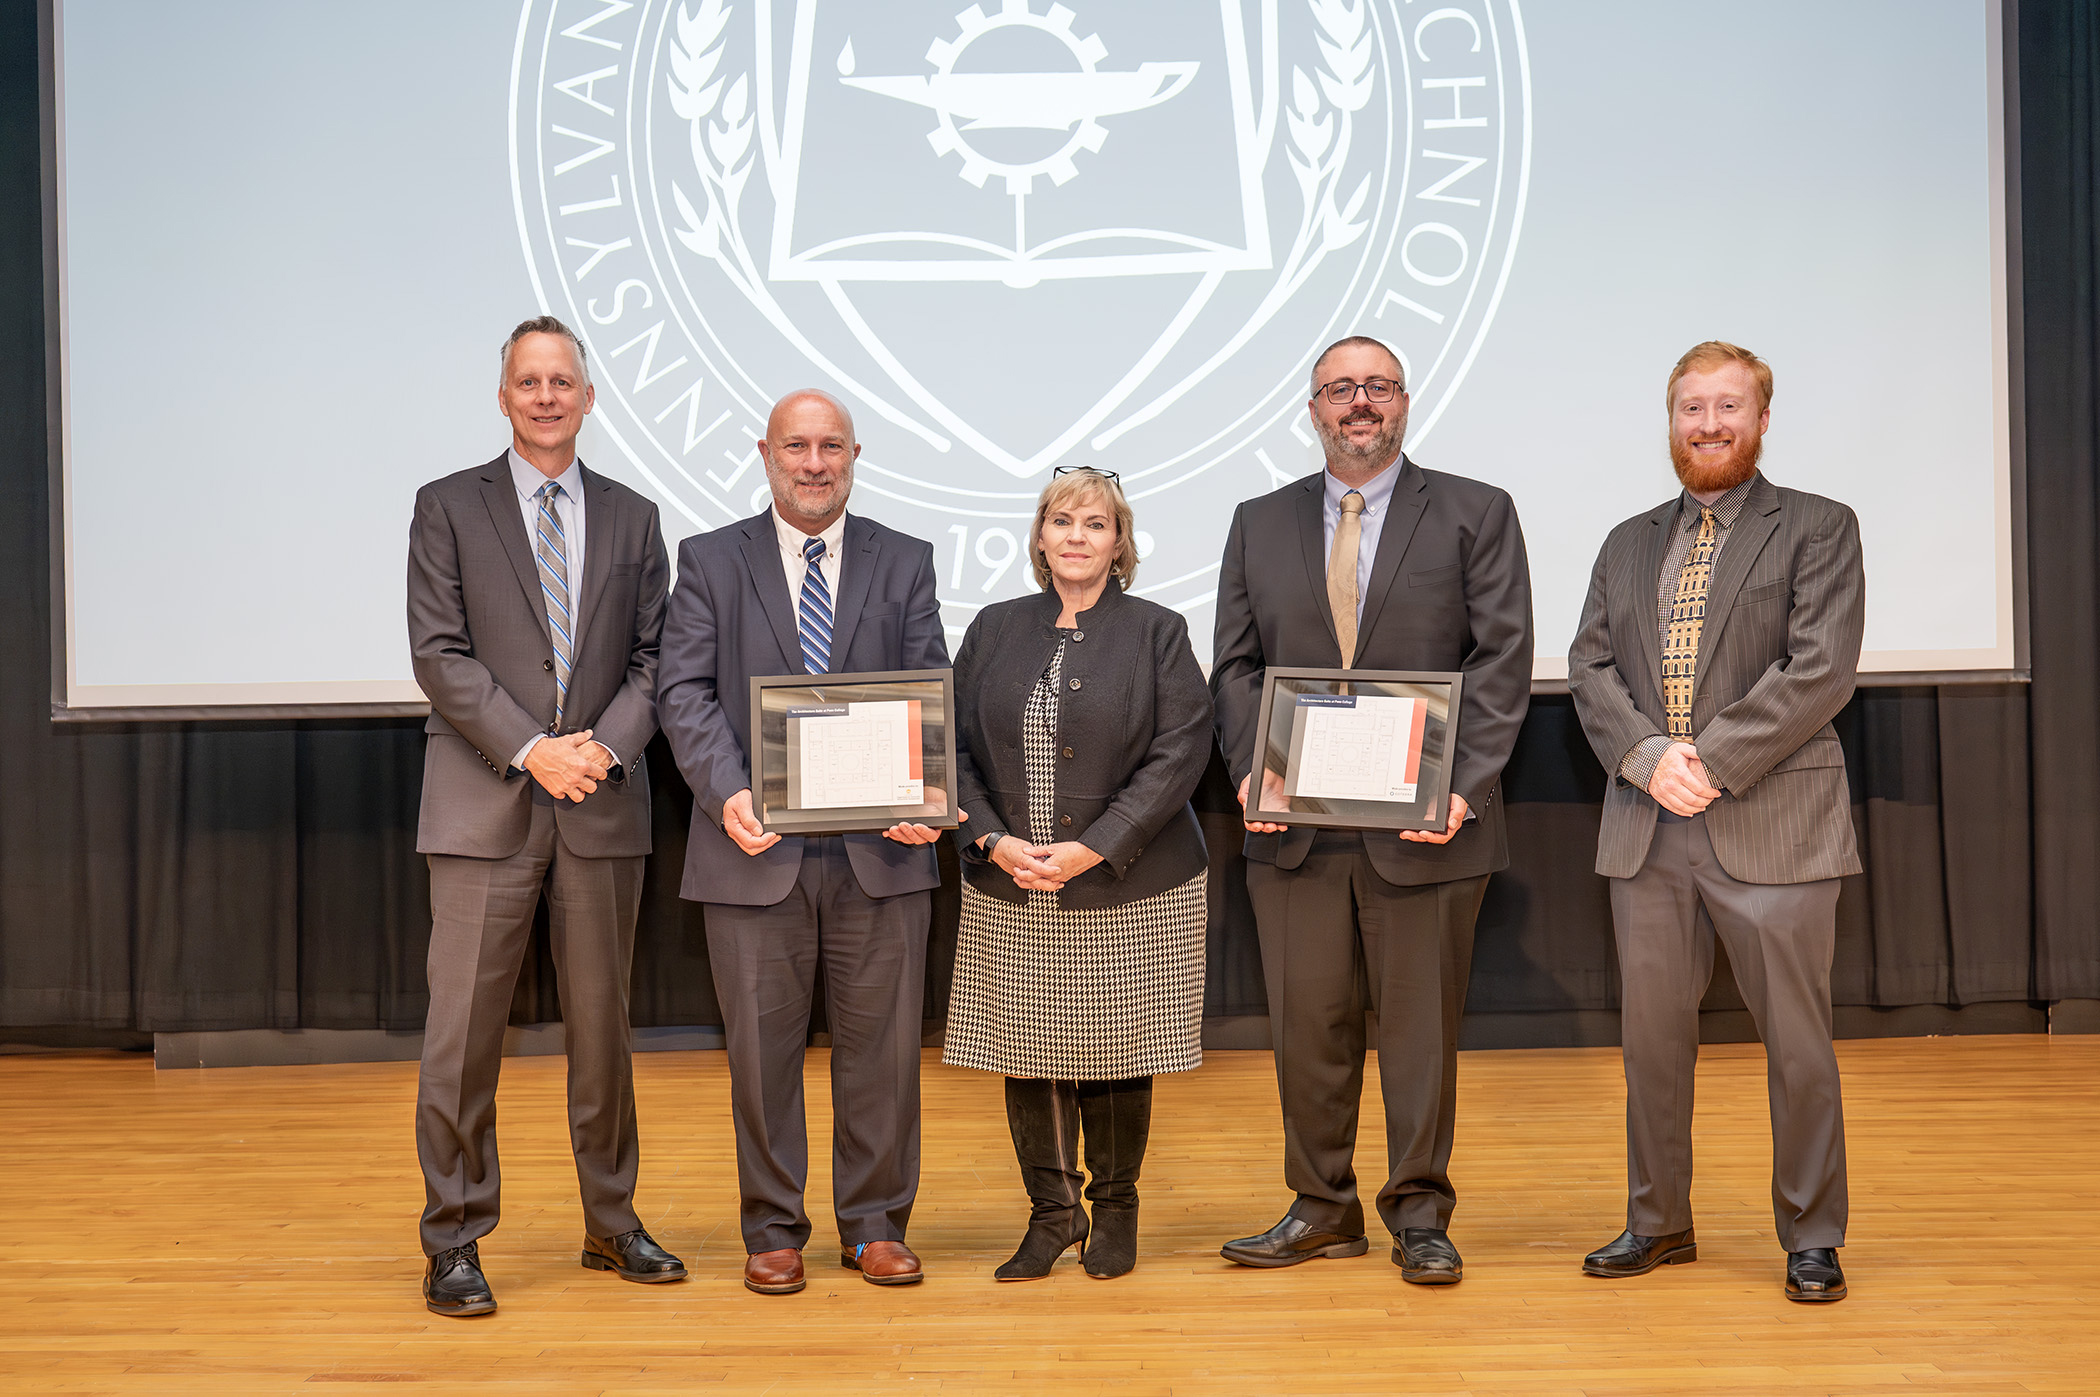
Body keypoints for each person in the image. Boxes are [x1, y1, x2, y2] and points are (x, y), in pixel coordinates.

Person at [1210, 334, 1533, 1284]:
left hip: (1426, 829)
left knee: (1421, 1034)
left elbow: (1500, 662)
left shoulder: (1477, 511)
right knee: (1306, 1029)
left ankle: (1420, 1213)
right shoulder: (1256, 520)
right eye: (1341, 389)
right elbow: (1235, 664)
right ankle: (1321, 1207)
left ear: (1404, 403)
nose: (1360, 403)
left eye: (1378, 388)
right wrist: (1249, 770)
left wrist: (1461, 787)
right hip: (1295, 828)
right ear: (1312, 408)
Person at [1566, 341, 1863, 1303]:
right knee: (1652, 1043)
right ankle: (1658, 1221)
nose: (1709, 424)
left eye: (1729, 406)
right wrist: (1653, 759)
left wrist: (1713, 760)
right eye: (1692, 408)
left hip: (1774, 818)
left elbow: (1819, 668)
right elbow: (1590, 669)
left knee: (1798, 1046)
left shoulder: (1818, 526)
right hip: (1649, 823)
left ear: (1763, 419)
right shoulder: (1625, 541)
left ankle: (1812, 1233)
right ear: (1671, 421)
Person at [406, 315, 682, 1317]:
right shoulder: (447, 506)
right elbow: (439, 652)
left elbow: (658, 658)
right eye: (529, 380)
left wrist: (599, 748)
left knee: (604, 1031)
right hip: (486, 802)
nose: (547, 395)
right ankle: (454, 1237)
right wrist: (536, 748)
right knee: (462, 1037)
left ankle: (611, 1220)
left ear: (588, 396)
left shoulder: (635, 516)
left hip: (601, 805)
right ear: (504, 395)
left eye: (563, 379)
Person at [656, 389, 949, 1295]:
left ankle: (874, 1225)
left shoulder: (904, 560)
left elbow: (928, 683)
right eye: (796, 446)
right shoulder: (709, 560)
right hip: (751, 848)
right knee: (760, 1052)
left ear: (854, 454)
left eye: (830, 446)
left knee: (886, 1053)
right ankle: (773, 1227)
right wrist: (727, 790)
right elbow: (683, 691)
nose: (814, 462)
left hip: (883, 849)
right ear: (765, 452)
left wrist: (926, 790)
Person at [944, 467, 1213, 1281]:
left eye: (1096, 524)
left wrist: (1092, 846)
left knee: (1116, 1047)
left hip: (1127, 879)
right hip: (1012, 875)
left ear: (1119, 542)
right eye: (1062, 520)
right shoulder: (993, 627)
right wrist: (992, 840)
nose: (1076, 536)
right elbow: (945, 745)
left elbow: (1182, 751)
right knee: (1027, 1050)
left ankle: (1117, 1208)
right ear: (1039, 536)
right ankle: (1053, 1213)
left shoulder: (1159, 631)